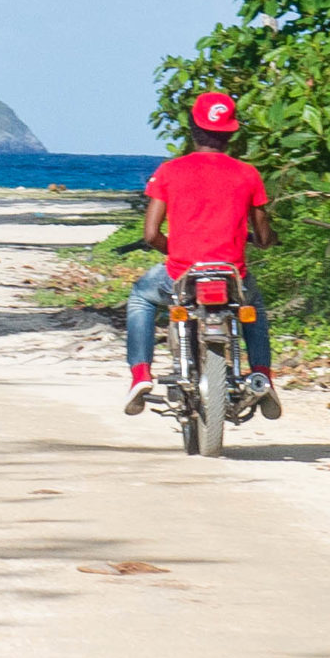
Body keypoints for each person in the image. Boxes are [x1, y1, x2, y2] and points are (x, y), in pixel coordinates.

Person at [123, 90, 282, 420]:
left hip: (183, 274)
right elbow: (264, 236)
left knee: (141, 296)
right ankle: (263, 374)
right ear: (230, 134)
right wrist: (263, 239)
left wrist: (178, 250)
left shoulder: (169, 171)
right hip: (231, 275)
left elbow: (151, 235)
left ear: (193, 130)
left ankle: (140, 375)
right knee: (254, 306)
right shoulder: (248, 174)